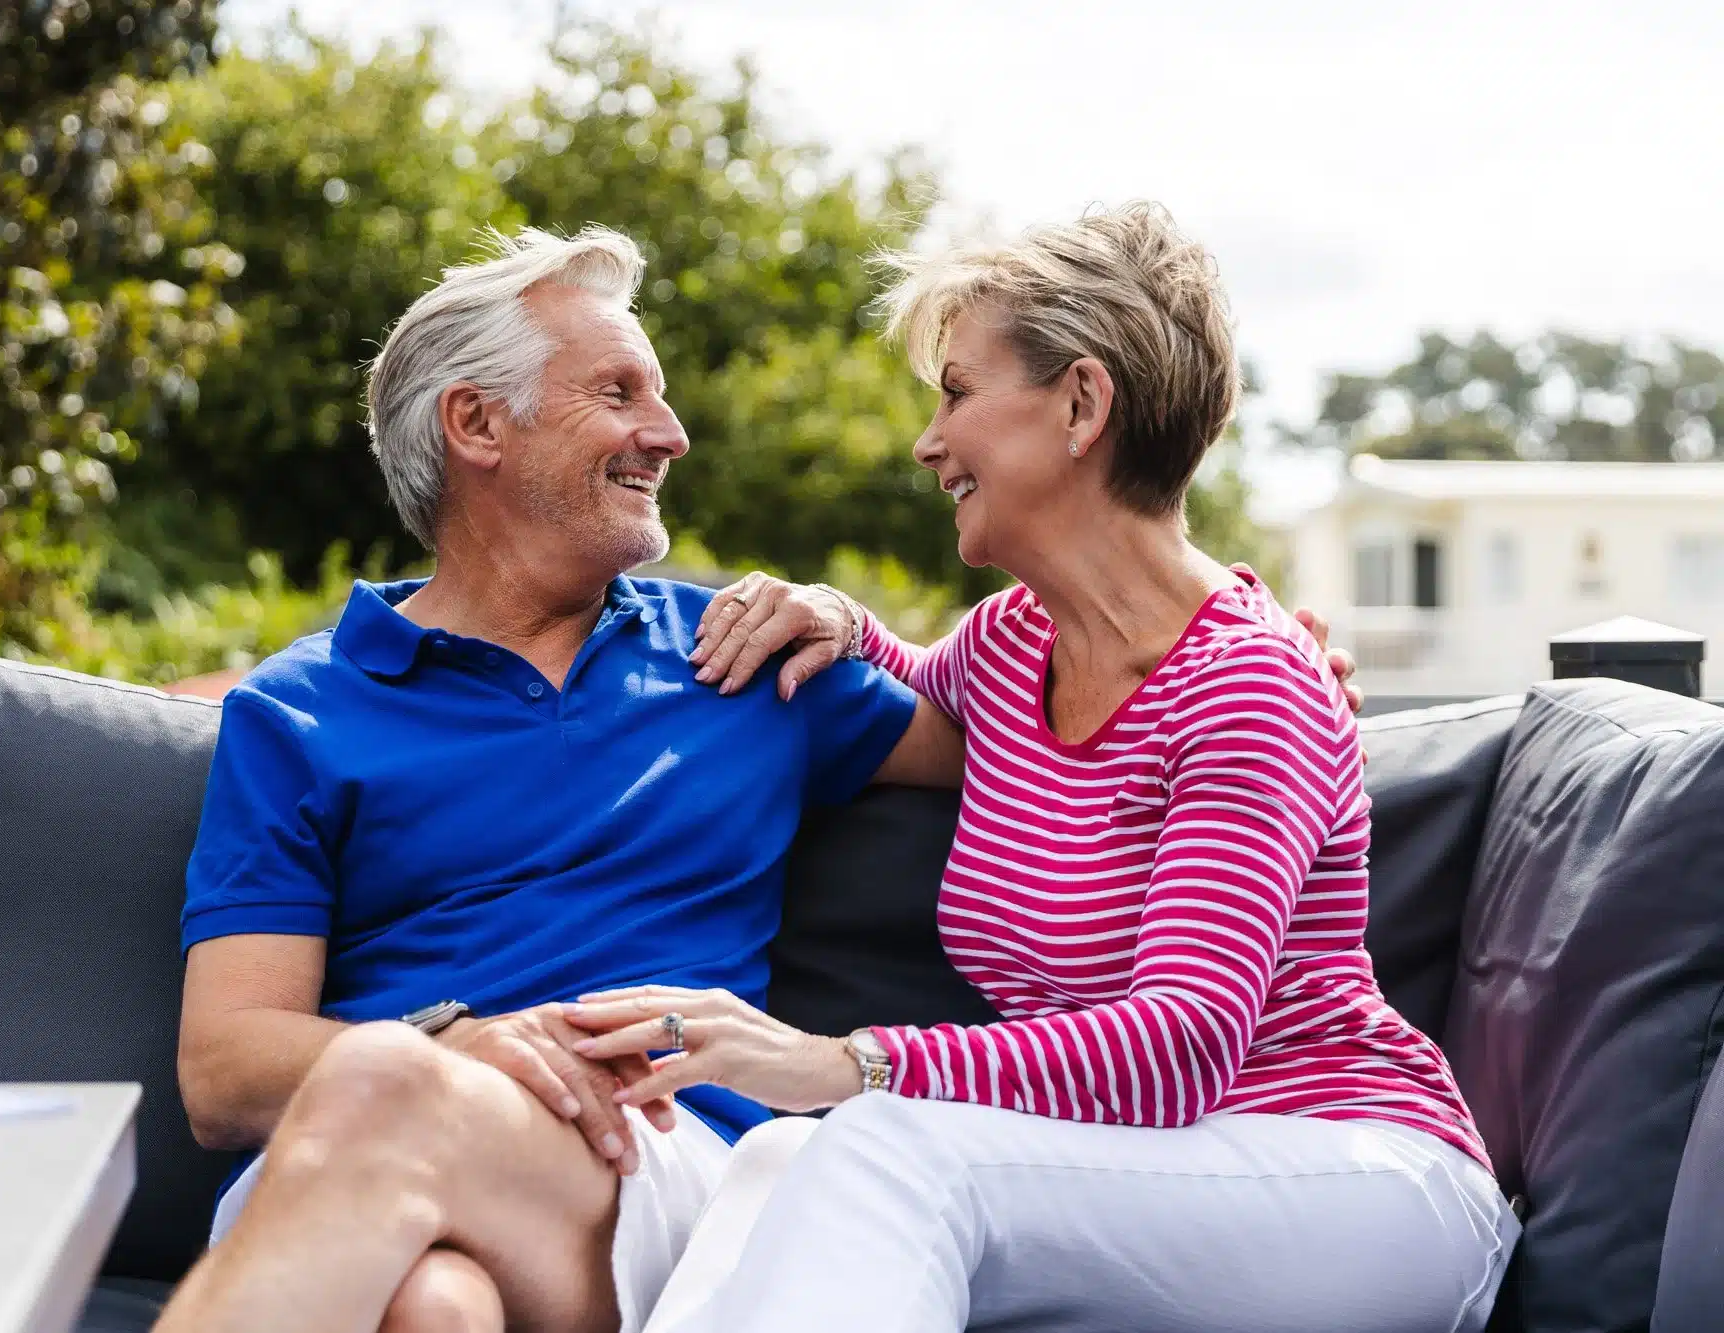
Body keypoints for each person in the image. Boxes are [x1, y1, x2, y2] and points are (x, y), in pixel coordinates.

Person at [156, 221, 1358, 1333]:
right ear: (477, 426)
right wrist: (451, 1047)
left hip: (667, 1159)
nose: (670, 435)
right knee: (432, 1306)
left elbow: (1067, 719)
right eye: (618, 392)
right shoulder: (296, 711)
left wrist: (1260, 660)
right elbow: (225, 1068)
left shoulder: (736, 658)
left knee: (378, 1085)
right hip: (360, 1170)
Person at [561, 202, 1519, 1333]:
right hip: (1147, 1167)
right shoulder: (1013, 645)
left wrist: (835, 1059)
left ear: (1081, 403)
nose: (928, 442)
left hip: (1352, 1175)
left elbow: (1178, 1045)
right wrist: (832, 618)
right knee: (775, 1155)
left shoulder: (1249, 680)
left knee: (884, 1144)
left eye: (956, 392)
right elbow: (908, 671)